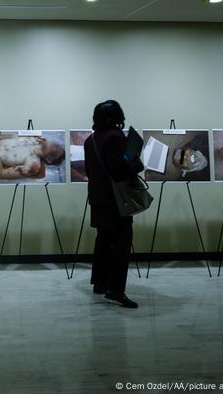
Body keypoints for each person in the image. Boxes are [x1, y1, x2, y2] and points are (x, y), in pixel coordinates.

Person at [84, 100, 144, 309]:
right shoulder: (115, 137)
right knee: (121, 244)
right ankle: (116, 290)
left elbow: (90, 171)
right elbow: (120, 171)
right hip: (116, 200)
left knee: (103, 239)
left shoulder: (90, 140)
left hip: (98, 198)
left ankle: (99, 283)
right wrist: (137, 163)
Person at [0, 136, 65, 180]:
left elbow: (1, 174)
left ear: (49, 160)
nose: (55, 148)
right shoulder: (35, 139)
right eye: (57, 146)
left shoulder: (33, 166)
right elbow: (13, 137)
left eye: (56, 153)